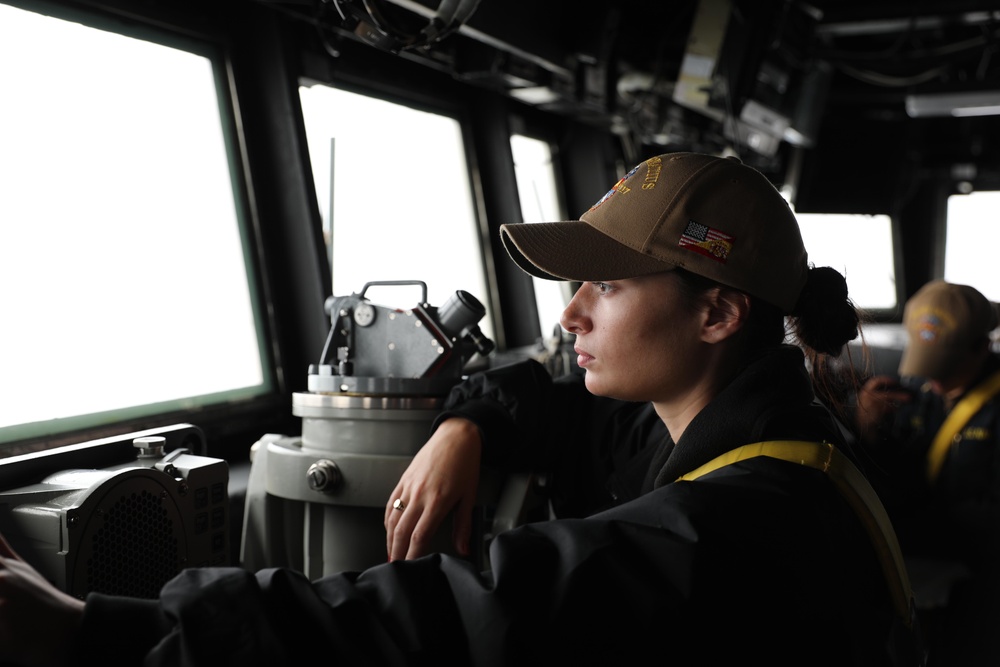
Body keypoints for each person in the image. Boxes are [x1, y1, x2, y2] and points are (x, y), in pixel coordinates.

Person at [0, 152, 922, 666]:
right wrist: (465, 424)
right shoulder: (720, 431)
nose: (570, 313)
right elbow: (554, 405)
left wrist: (93, 633)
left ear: (717, 312)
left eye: (604, 282)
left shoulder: (740, 527)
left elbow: (468, 612)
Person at [855, 279, 1000, 665]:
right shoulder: (920, 395)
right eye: (925, 358)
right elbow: (899, 475)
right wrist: (868, 432)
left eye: (945, 365)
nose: (931, 378)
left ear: (982, 348)